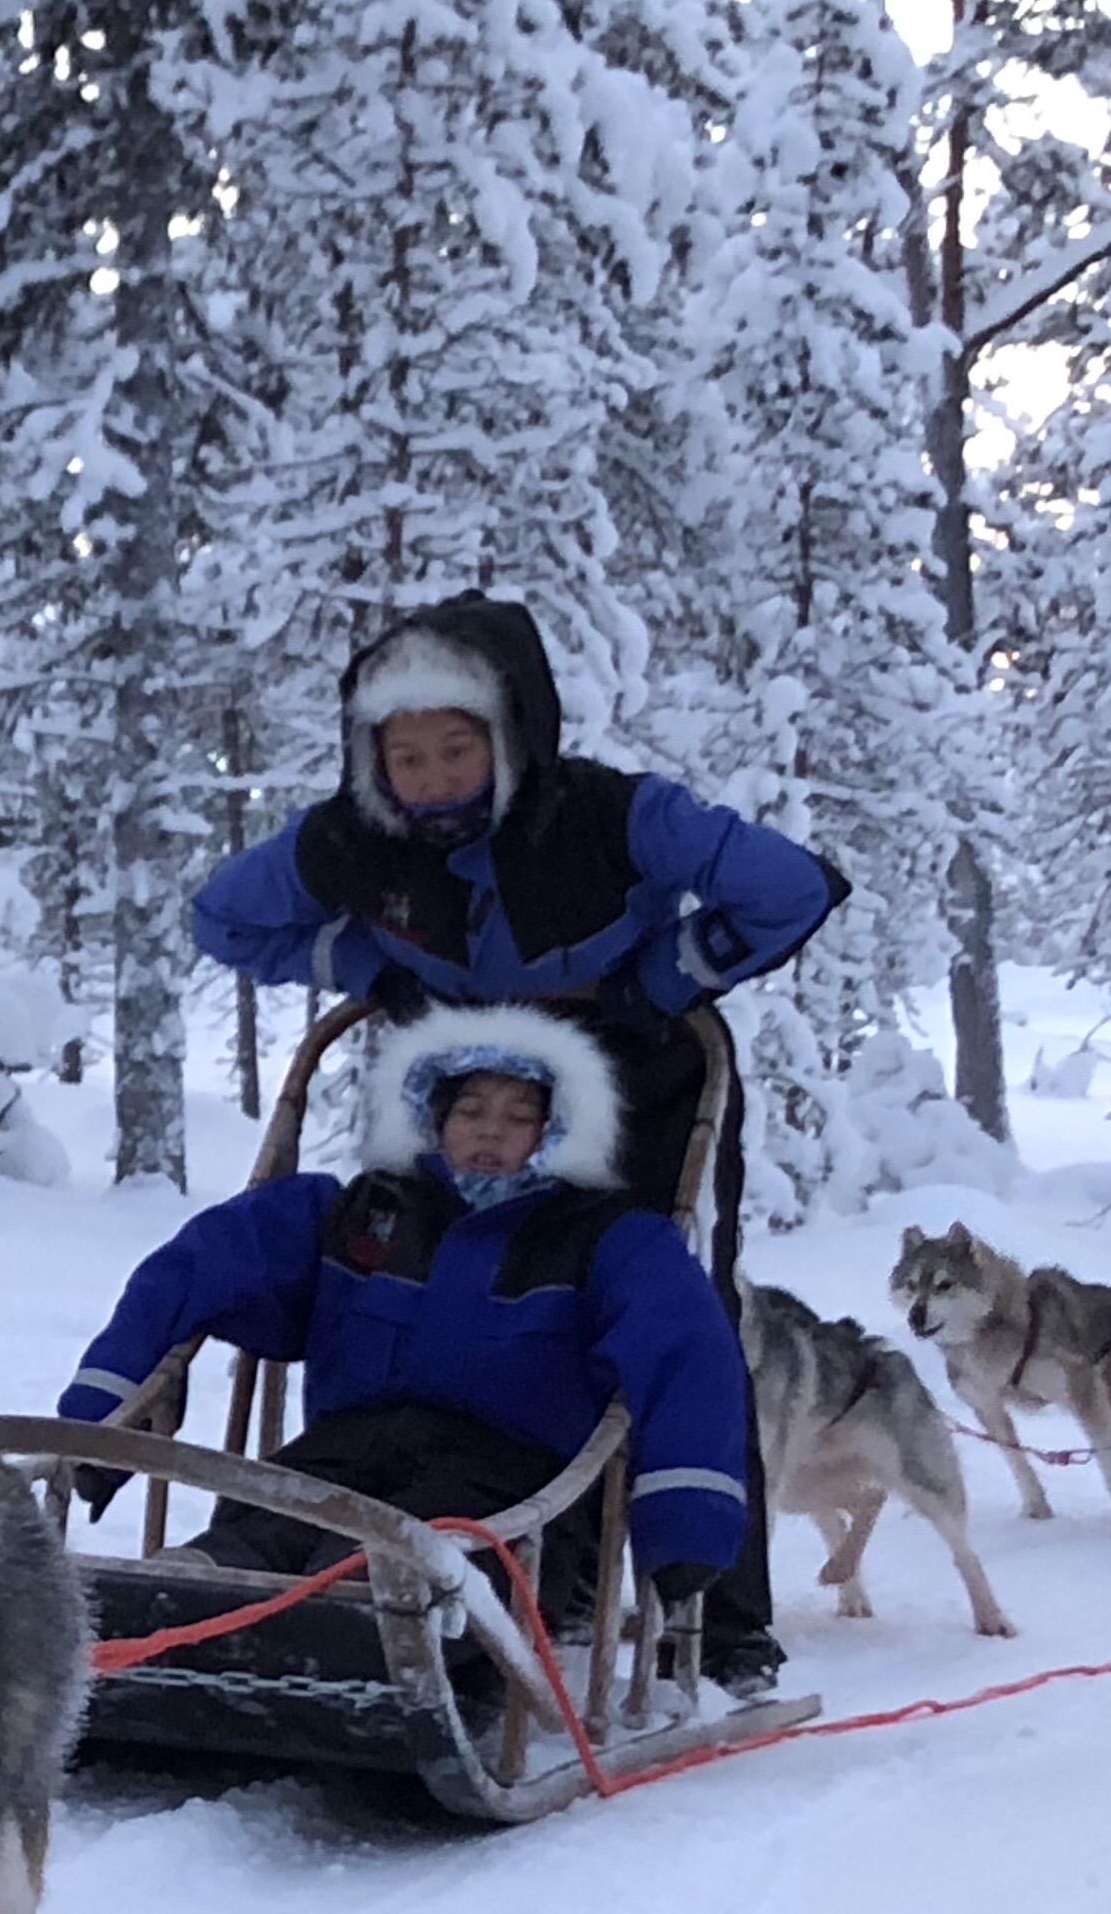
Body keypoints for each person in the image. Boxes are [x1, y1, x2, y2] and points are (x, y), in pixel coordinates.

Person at [190, 590, 845, 1695]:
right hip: (448, 1105)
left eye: (457, 748)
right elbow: (224, 918)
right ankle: (354, 1544)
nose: (433, 777)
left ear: (512, 737)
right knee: (406, 1305)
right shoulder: (352, 837)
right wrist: (366, 967)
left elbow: (788, 887)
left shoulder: (610, 815)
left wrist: (667, 974)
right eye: (406, 756)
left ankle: (716, 1615)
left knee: (669, 1325)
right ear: (371, 760)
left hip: (633, 1087)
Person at [60, 1008, 751, 1652]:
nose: (489, 1130)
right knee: (261, 1530)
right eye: (471, 1111)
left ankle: (353, 1626)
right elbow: (193, 1269)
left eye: (519, 1116)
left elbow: (688, 1358)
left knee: (389, 1561)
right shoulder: (360, 1216)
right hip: (341, 1453)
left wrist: (686, 1522)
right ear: (433, 1118)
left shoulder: (611, 1241)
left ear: (558, 1129)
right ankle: (177, 1603)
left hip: (505, 1482)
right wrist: (106, 1421)